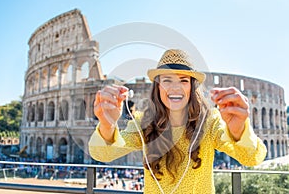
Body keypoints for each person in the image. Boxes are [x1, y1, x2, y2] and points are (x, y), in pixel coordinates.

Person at [89, 49, 267, 193]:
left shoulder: (209, 121)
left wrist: (238, 130)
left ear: (192, 87)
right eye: (167, 80)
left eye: (183, 80)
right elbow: (102, 154)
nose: (175, 87)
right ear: (158, 87)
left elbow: (252, 158)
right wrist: (107, 124)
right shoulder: (143, 121)